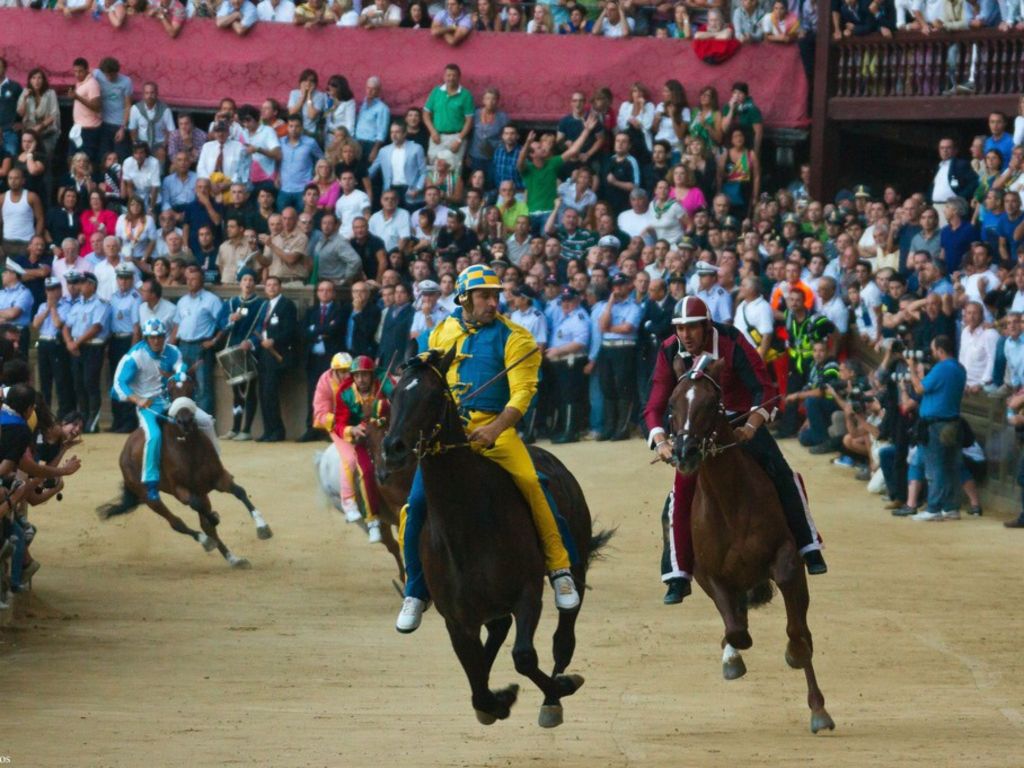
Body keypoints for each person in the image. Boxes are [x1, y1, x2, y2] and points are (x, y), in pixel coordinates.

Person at [395, 265, 580, 633]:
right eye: (485, 296)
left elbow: (524, 392)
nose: (493, 302)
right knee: (413, 506)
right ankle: (416, 590)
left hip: (497, 429)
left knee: (531, 482)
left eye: (496, 295)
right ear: (464, 298)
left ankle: (560, 568)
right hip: (445, 434)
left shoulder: (517, 337)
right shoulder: (439, 334)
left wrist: (494, 428)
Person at [644, 295, 827, 605]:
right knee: (678, 495)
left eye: (692, 328)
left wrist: (751, 426)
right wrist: (661, 441)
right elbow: (656, 403)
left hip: (741, 423)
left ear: (706, 326)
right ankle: (677, 573)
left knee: (782, 473)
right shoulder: (667, 349)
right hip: (695, 431)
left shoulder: (731, 339)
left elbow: (764, 388)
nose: (685, 336)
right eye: (680, 329)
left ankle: (808, 545)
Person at [314, 354, 391, 542]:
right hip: (339, 425)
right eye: (341, 372)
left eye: (349, 371)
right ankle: (348, 501)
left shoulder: (366, 383)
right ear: (334, 371)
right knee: (350, 459)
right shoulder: (328, 383)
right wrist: (349, 426)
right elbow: (321, 413)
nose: (346, 375)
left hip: (372, 426)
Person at [112, 318, 187, 501]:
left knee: (202, 420)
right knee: (154, 436)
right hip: (148, 405)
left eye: (160, 337)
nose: (156, 341)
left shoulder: (173, 351)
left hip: (170, 400)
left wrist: (179, 375)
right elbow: (118, 384)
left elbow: (181, 367)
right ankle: (151, 482)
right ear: (146, 338)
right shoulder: (135, 355)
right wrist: (137, 399)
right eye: (152, 337)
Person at [907, 334, 966, 521]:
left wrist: (911, 368)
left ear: (940, 350)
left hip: (936, 424)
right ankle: (950, 507)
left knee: (935, 467)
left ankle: (933, 508)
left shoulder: (942, 368)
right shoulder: (959, 368)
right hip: (952, 422)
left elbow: (919, 389)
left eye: (933, 350)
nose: (931, 353)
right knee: (949, 465)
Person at [169, 265, 223, 416]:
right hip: (183, 346)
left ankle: (204, 424)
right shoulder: (182, 301)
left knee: (203, 386)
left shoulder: (211, 300)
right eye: (188, 279)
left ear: (202, 281)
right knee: (183, 384)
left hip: (201, 347)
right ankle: (185, 421)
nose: (190, 282)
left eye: (194, 279)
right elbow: (177, 326)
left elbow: (223, 323)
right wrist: (170, 347)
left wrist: (214, 341)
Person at [299, 279, 348, 442]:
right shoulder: (311, 311)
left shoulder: (340, 310)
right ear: (317, 293)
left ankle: (332, 430)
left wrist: (315, 330)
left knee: (335, 394)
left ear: (333, 293)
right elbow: (303, 332)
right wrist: (322, 330)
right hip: (313, 359)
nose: (325, 293)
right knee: (313, 395)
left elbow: (335, 329)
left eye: (328, 290)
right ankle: (312, 428)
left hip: (332, 361)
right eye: (321, 290)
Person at [219, 269, 265, 441]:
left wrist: (252, 341)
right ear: (240, 283)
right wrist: (230, 319)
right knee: (237, 392)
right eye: (245, 279)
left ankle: (246, 429)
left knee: (250, 391)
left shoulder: (261, 304)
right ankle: (235, 427)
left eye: (251, 279)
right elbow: (220, 322)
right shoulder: (230, 303)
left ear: (255, 283)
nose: (248, 282)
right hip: (233, 351)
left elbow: (262, 327)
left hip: (250, 351)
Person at [63, 272, 111, 433]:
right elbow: (66, 326)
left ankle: (93, 421)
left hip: (92, 347)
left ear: (92, 285)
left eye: (83, 283)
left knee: (90, 383)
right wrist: (70, 342)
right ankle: (82, 420)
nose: (79, 286)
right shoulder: (77, 304)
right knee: (78, 384)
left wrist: (75, 342)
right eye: (79, 283)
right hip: (77, 347)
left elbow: (96, 327)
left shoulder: (100, 304)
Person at [256, 275, 298, 442]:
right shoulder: (265, 305)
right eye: (269, 285)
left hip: (277, 354)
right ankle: (268, 430)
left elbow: (291, 330)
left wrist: (274, 340)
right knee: (263, 394)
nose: (272, 287)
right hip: (264, 355)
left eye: (275, 285)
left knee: (270, 393)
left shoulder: (286, 305)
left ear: (280, 287)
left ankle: (277, 431)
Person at [107, 264, 143, 433]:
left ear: (132, 279)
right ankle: (117, 420)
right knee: (115, 381)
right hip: (115, 340)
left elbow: (136, 327)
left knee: (127, 380)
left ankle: (129, 421)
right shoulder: (113, 297)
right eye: (120, 278)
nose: (123, 281)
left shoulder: (135, 298)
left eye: (127, 278)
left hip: (128, 340)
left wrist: (132, 351)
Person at [33, 277, 76, 418]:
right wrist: (47, 309)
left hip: (56, 344)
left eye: (55, 289)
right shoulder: (41, 306)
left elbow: (58, 324)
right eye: (49, 289)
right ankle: (45, 414)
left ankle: (63, 413)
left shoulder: (66, 306)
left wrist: (53, 308)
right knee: (45, 381)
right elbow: (36, 325)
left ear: (59, 290)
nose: (51, 293)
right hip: (43, 343)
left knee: (61, 380)